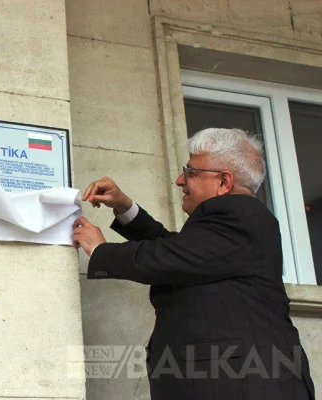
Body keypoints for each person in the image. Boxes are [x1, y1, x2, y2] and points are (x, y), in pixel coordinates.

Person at [73, 128, 315, 399]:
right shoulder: (233, 225)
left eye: (190, 172)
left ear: (223, 182)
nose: (179, 180)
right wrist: (124, 206)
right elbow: (179, 251)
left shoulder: (240, 215)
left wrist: (100, 250)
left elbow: (171, 257)